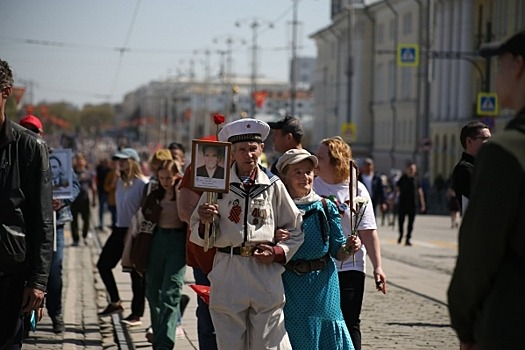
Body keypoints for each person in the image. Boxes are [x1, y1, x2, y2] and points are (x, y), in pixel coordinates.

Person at [190, 118, 304, 350]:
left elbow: (295, 228)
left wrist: (277, 251)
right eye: (242, 149)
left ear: (262, 148)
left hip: (263, 270)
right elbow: (197, 232)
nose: (248, 154)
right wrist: (204, 221)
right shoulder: (217, 187)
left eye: (253, 148)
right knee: (230, 342)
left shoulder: (273, 185)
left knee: (267, 343)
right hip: (228, 266)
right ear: (232, 151)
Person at [448, 29, 525, 350]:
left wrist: (464, 324)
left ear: (518, 66)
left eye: (501, 63)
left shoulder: (507, 151)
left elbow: (480, 250)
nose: (497, 73)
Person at [276, 149, 358, 350]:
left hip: (323, 283)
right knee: (295, 335)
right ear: (284, 176)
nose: (305, 177)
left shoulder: (325, 206)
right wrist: (274, 238)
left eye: (308, 172)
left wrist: (349, 248)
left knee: (327, 335)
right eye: (298, 172)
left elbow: (337, 251)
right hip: (289, 283)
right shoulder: (276, 208)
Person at [313, 136, 387, 350]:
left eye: (320, 158)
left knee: (350, 321)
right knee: (322, 321)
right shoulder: (311, 186)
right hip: (320, 265)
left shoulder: (357, 190)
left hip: (350, 267)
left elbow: (369, 232)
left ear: (336, 161)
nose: (315, 163)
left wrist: (378, 267)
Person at [0, 58, 54, 349]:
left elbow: (43, 220)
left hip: (10, 273)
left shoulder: (30, 147)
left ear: (5, 93)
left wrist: (38, 282)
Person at [18, 115, 81, 335]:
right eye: (26, 130)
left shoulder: (55, 157)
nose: (30, 135)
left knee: (53, 271)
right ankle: (24, 318)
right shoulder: (14, 156)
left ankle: (56, 313)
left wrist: (61, 200)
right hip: (23, 226)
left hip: (55, 224)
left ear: (41, 134)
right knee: (23, 271)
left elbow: (74, 185)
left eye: (34, 131)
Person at [97, 148, 147, 326]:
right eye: (119, 160)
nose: (120, 163)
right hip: (119, 228)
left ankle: (136, 314)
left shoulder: (142, 183)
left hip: (134, 231)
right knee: (103, 265)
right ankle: (115, 302)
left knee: (136, 274)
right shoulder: (120, 181)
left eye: (124, 160)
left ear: (133, 161)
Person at [142, 159, 187, 349]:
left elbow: (186, 216)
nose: (165, 182)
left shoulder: (183, 193)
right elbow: (145, 214)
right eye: (161, 178)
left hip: (177, 242)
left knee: (171, 293)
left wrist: (178, 190)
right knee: (153, 292)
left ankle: (164, 343)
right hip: (157, 241)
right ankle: (159, 334)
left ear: (177, 175)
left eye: (169, 177)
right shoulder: (155, 193)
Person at [178, 161, 218, 350]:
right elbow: (185, 211)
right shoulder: (200, 168)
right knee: (208, 317)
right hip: (205, 257)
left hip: (241, 260)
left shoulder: (258, 173)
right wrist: (204, 217)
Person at [451, 121, 491, 215]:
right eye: (485, 138)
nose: (490, 142)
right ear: (469, 141)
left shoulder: (484, 166)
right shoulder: (464, 169)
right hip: (479, 226)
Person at [395, 162, 426, 246]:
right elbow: (397, 190)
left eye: (413, 169)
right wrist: (393, 200)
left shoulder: (416, 180)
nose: (412, 171)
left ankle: (408, 238)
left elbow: (420, 192)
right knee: (401, 221)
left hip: (413, 204)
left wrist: (422, 204)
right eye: (410, 169)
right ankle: (401, 235)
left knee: (411, 223)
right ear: (407, 169)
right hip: (402, 203)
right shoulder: (402, 179)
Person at [71, 152, 97, 246]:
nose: (79, 162)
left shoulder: (88, 173)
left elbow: (93, 187)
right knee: (74, 221)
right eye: (78, 160)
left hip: (85, 199)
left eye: (81, 159)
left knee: (86, 219)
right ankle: (75, 238)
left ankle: (85, 236)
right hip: (74, 200)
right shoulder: (72, 173)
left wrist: (94, 199)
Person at [96, 158, 112, 231]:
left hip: (103, 191)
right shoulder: (106, 170)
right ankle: (103, 224)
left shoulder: (99, 169)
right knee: (105, 208)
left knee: (103, 208)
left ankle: (101, 224)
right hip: (105, 191)